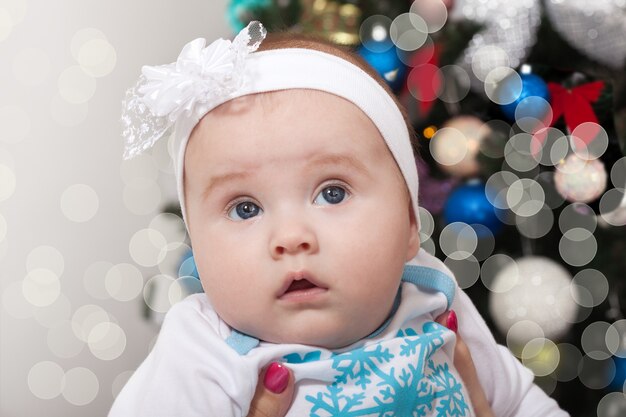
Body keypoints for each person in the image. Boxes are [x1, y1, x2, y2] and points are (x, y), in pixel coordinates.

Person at [111, 21, 569, 417]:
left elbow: (518, 403)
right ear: (197, 248)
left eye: (332, 193)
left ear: (411, 225)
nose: (291, 238)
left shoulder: (429, 291)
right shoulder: (203, 349)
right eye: (245, 208)